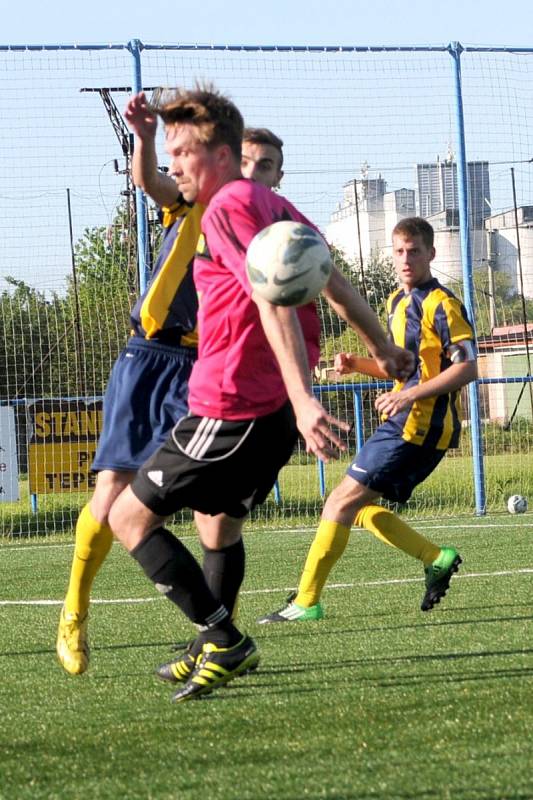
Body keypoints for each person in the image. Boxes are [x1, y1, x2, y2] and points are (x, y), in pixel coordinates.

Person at [106, 85, 414, 703]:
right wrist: (380, 347)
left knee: (127, 516)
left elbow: (272, 298)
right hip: (266, 409)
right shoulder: (272, 204)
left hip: (233, 405)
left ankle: (222, 639)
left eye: (182, 152)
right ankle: (209, 646)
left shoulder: (223, 208)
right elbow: (331, 278)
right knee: (216, 524)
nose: (174, 166)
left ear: (220, 154)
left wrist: (304, 399)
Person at [56, 88, 285, 676]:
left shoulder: (270, 237)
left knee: (218, 522)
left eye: (265, 167)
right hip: (148, 357)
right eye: (248, 160)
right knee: (111, 498)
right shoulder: (191, 203)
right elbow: (151, 182)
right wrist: (144, 137)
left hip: (203, 368)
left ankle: (216, 641)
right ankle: (75, 613)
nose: (252, 173)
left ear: (275, 176)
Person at [259, 216, 477, 624]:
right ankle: (436, 557)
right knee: (355, 508)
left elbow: (466, 369)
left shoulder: (442, 305)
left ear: (431, 253)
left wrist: (409, 394)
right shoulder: (396, 302)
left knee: (339, 502)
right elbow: (402, 369)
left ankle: (306, 601)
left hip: (419, 426)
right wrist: (359, 363)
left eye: (414, 251)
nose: (406, 258)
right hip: (403, 421)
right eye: (399, 251)